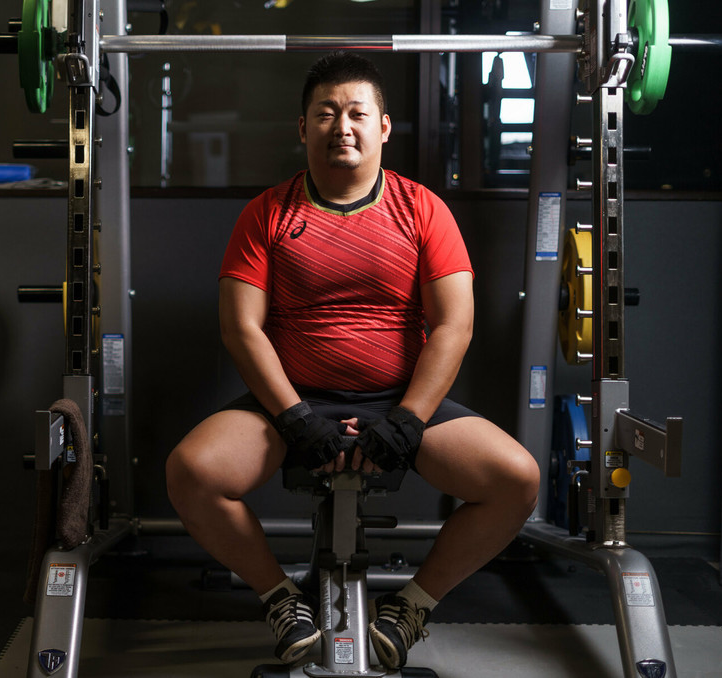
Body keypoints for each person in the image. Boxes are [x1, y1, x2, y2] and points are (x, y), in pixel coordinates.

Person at [165, 51, 540, 670]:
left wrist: (408, 420)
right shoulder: (267, 213)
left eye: (357, 113)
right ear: (303, 127)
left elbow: (454, 325)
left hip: (399, 400)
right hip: (292, 401)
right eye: (326, 113)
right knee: (191, 472)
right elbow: (242, 328)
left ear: (383, 127)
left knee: (516, 480)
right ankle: (282, 600)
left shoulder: (422, 209)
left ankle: (411, 607)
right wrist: (294, 417)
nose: (342, 126)